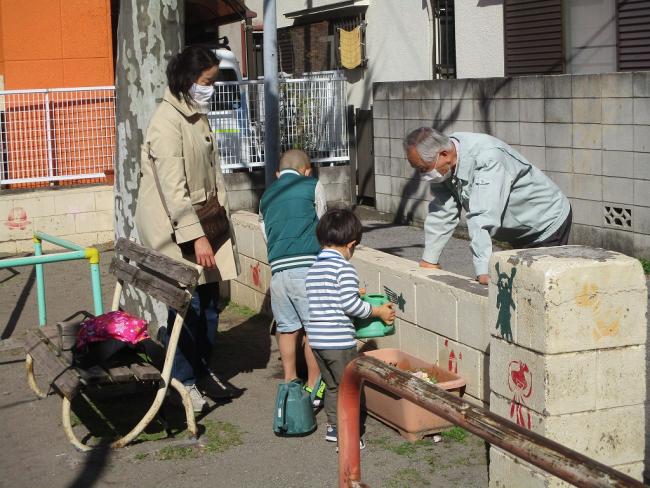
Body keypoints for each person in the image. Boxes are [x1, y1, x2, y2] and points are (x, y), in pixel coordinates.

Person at [135, 46, 240, 412]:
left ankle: (201, 368)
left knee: (211, 302)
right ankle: (184, 380)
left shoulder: (196, 114)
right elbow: (172, 187)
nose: (209, 88)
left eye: (212, 81)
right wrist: (196, 235)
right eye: (206, 81)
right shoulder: (167, 122)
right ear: (186, 78)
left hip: (206, 222)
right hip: (178, 230)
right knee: (187, 306)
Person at [403, 127, 572, 285]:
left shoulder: (488, 157)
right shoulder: (446, 167)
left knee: (542, 288)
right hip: (519, 230)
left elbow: (482, 214)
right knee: (522, 287)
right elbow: (443, 210)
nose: (423, 175)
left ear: (444, 154)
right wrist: (429, 259)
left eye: (424, 168)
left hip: (545, 222)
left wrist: (483, 269)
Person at [305, 208, 395, 448]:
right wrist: (377, 311)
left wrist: (353, 294)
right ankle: (349, 436)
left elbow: (328, 298)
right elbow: (350, 306)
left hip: (317, 342)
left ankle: (334, 428)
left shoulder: (314, 269)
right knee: (350, 389)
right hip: (338, 342)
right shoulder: (344, 269)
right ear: (351, 244)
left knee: (332, 387)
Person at [259, 149, 327, 406]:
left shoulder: (266, 196)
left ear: (278, 174)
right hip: (307, 268)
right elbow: (323, 223)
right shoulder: (313, 185)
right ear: (306, 171)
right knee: (314, 329)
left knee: (287, 328)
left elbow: (266, 233)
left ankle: (290, 382)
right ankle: (313, 387)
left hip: (278, 272)